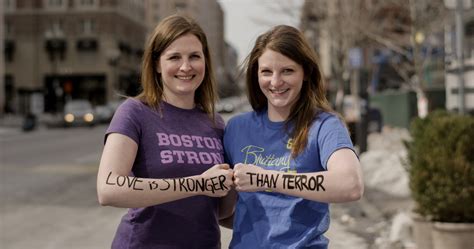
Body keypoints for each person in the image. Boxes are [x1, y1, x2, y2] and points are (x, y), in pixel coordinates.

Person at [96, 14, 234, 249]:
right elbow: (108, 190)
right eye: (174, 57)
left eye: (194, 57)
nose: (185, 66)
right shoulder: (134, 112)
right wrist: (199, 183)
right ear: (157, 64)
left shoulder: (216, 123)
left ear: (205, 63)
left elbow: (219, 211)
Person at [223, 25, 364, 248]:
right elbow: (223, 207)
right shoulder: (235, 128)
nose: (276, 82)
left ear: (305, 72)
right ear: (255, 74)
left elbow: (351, 185)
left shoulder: (324, 126)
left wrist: (264, 179)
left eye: (287, 71)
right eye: (266, 72)